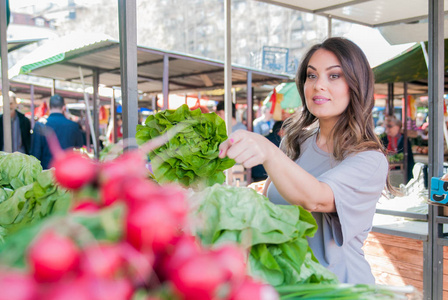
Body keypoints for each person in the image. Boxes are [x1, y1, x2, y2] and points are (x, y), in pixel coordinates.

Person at [219, 37, 392, 284]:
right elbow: (268, 202)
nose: (318, 85)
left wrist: (267, 150)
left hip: (338, 290)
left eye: (334, 76)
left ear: (356, 84)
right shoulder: (296, 141)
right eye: (312, 76)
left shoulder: (370, 159)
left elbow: (316, 198)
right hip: (286, 285)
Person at [31, 94, 84, 169]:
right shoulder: (73, 125)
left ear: (49, 107)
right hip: (66, 170)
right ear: (63, 107)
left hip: (46, 172)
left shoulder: (40, 125)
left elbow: (35, 153)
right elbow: (79, 146)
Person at [380, 116, 415, 182]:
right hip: (386, 173)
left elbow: (410, 160)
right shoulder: (383, 139)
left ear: (397, 127)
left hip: (402, 173)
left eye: (390, 126)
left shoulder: (404, 139)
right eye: (386, 126)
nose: (387, 128)